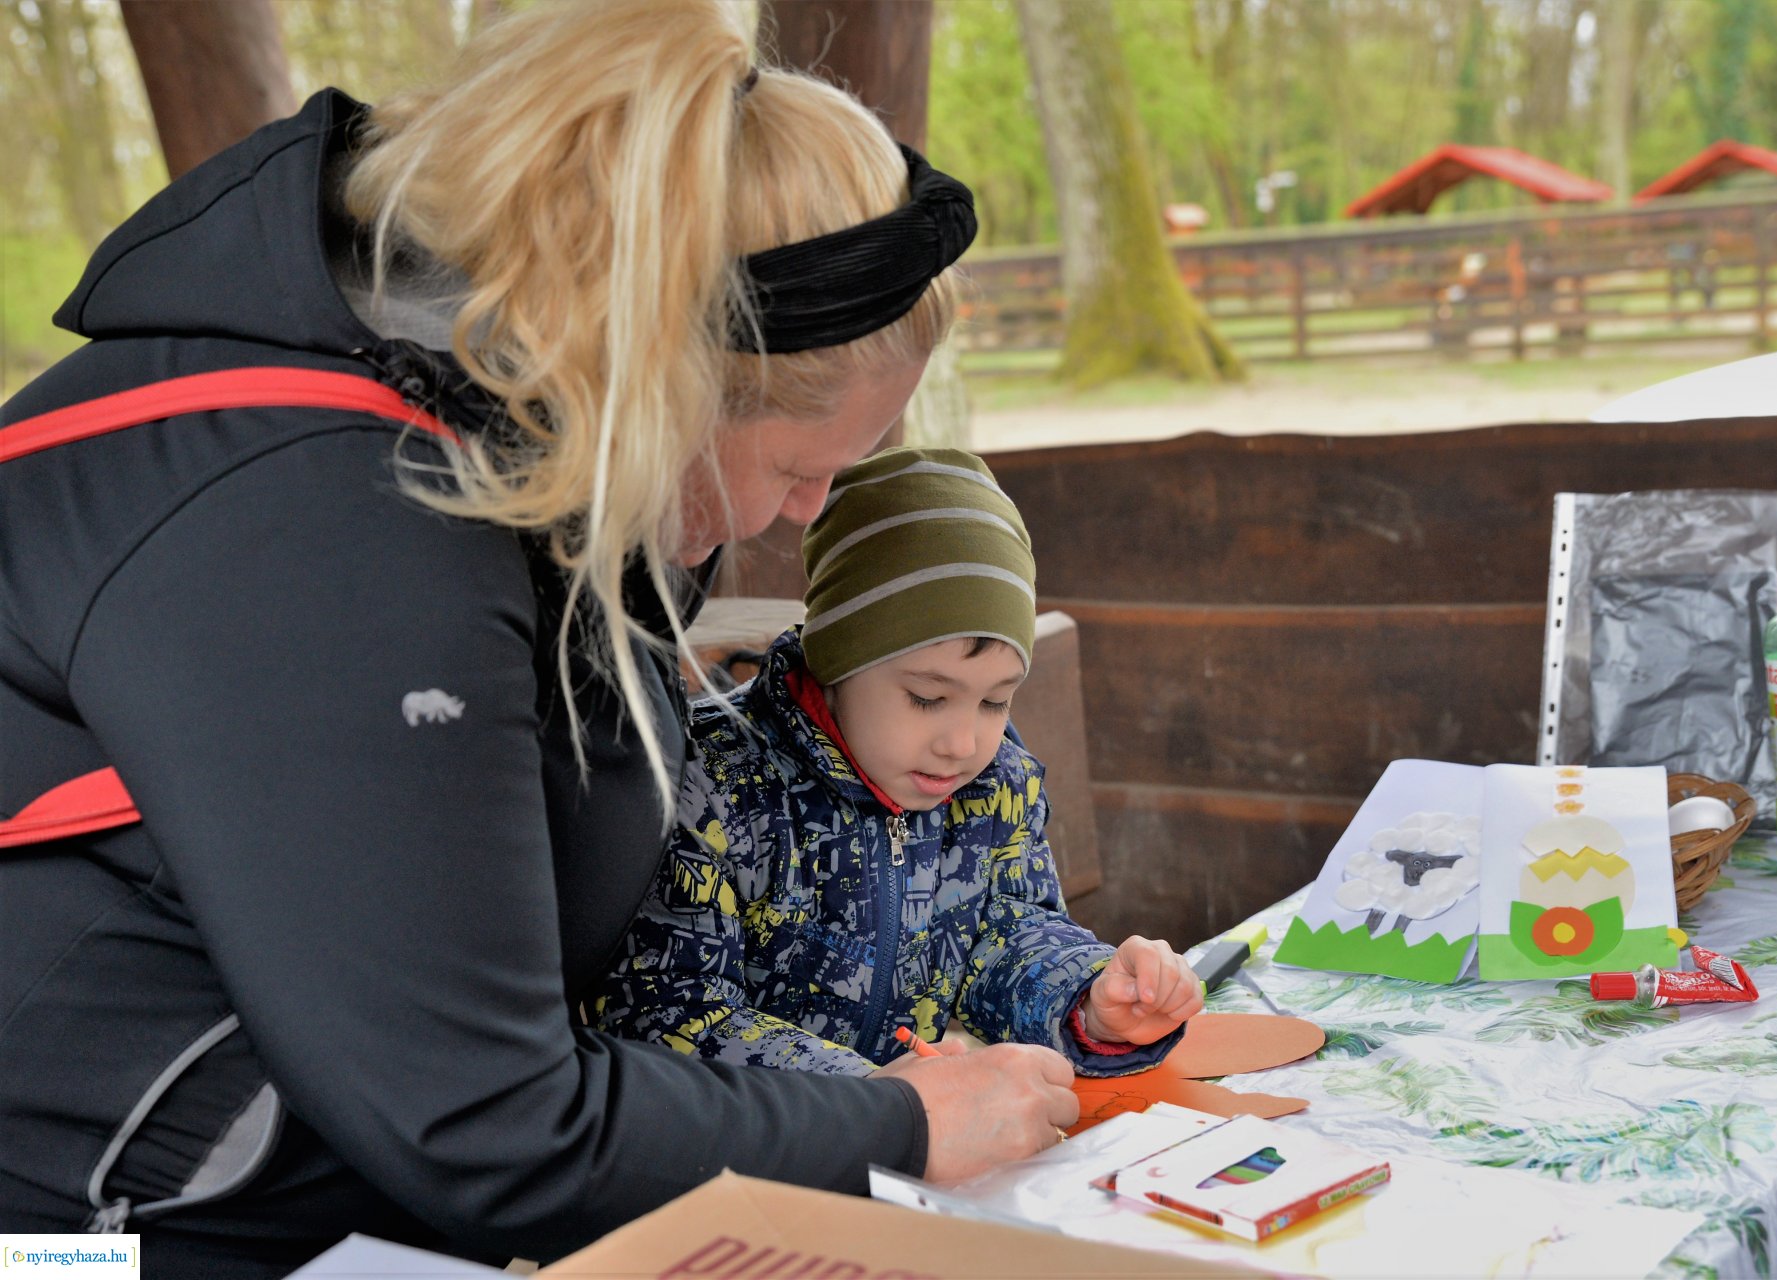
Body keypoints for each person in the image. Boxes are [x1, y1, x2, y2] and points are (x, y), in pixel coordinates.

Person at [0, 3, 1077, 1275]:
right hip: (91, 1237)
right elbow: (483, 1120)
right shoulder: (332, 525)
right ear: (667, 375)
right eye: (799, 468)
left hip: (330, 1183)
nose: (803, 517)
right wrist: (894, 1121)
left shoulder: (522, 438)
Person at [594, 447, 1204, 1076]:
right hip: (755, 1159)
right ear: (836, 660)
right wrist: (879, 1098)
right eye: (927, 697)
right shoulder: (710, 784)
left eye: (996, 701)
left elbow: (1009, 936)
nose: (962, 743)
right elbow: (668, 1015)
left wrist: (1090, 1001)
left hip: (922, 1139)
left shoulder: (994, 787)